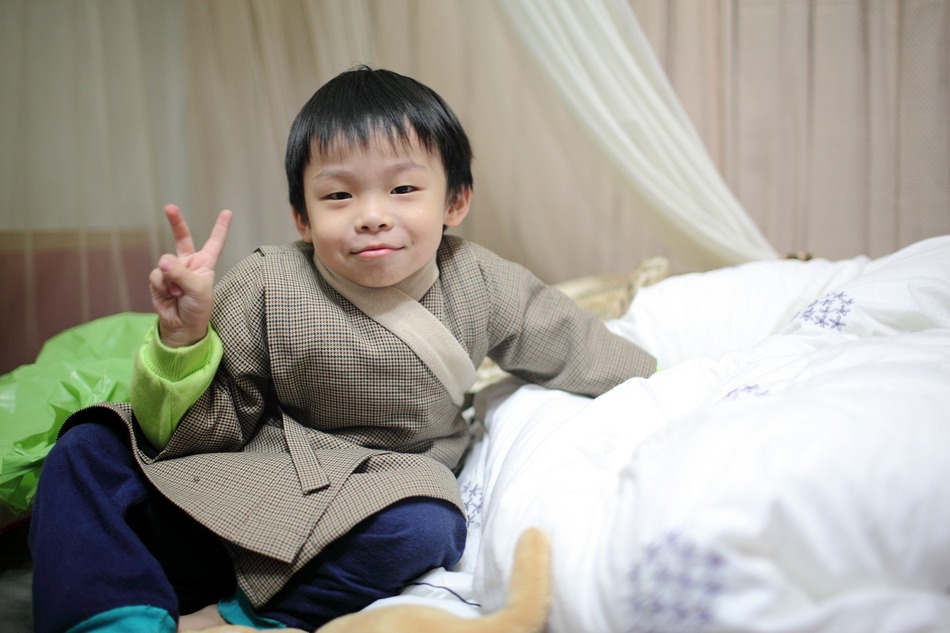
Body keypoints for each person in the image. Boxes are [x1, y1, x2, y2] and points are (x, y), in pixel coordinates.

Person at [29, 66, 656, 632]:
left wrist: (666, 380)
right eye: (338, 195)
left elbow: (576, 346)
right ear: (302, 217)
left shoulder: (485, 282)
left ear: (455, 201)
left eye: (403, 189)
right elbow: (199, 434)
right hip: (246, 483)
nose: (371, 215)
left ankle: (249, 618)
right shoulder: (266, 282)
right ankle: (113, 617)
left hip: (372, 496)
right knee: (86, 447)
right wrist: (183, 338)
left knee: (429, 524)